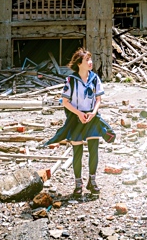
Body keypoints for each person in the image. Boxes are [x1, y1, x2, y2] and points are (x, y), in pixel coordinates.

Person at [42, 48, 112, 196]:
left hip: (92, 118)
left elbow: (99, 99)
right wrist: (79, 114)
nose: (90, 62)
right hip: (76, 119)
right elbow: (65, 102)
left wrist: (93, 112)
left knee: (94, 151)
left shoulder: (95, 79)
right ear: (80, 63)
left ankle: (92, 182)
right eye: (87, 60)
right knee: (77, 152)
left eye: (90, 59)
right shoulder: (70, 80)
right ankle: (78, 184)